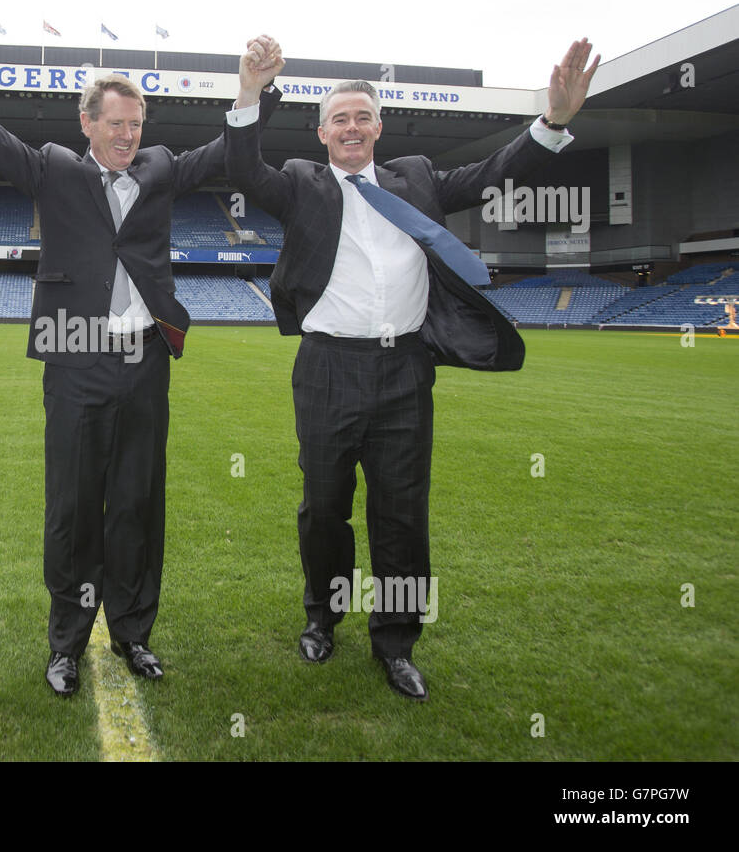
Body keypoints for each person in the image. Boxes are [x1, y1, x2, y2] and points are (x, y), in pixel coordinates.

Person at [226, 35, 599, 700]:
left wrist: (553, 123)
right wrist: (250, 92)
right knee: (324, 510)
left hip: (405, 374)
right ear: (321, 132)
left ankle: (395, 642)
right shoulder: (299, 183)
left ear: (378, 127)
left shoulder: (417, 179)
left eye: (362, 116)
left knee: (402, 514)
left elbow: (491, 174)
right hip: (327, 369)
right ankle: (323, 614)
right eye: (339, 117)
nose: (351, 126)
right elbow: (244, 167)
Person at [0, 0, 279, 696]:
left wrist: (249, 93)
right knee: (71, 504)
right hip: (74, 357)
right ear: (87, 123)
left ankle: (133, 632)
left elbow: (230, 152)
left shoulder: (159, 168)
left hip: (144, 361)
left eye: (136, 124)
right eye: (115, 123)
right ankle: (66, 642)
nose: (127, 135)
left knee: (136, 500)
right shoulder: (54, 168)